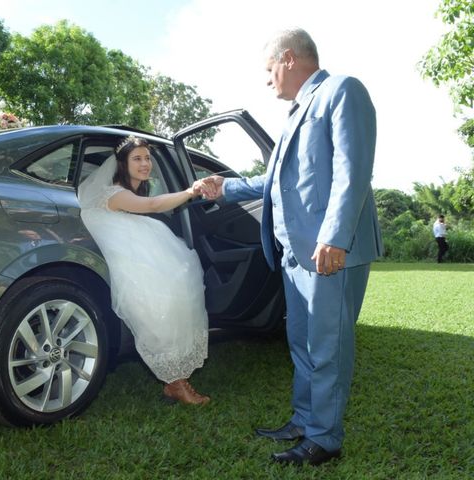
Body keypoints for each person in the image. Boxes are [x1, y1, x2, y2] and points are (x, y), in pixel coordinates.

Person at [203, 28, 383, 465]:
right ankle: (304, 420)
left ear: (287, 59)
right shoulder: (295, 114)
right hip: (295, 256)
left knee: (327, 347)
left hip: (328, 253)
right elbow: (276, 182)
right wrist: (224, 187)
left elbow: (352, 170)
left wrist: (334, 237)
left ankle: (324, 439)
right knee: (301, 344)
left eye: (269, 71)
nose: (268, 81)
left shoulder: (342, 90)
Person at [77, 135, 211, 405]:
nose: (145, 163)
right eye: (136, 159)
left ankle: (176, 382)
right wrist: (190, 192)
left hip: (139, 260)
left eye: (147, 158)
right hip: (129, 268)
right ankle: (176, 383)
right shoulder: (115, 194)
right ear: (122, 164)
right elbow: (152, 205)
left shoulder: (127, 193)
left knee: (177, 295)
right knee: (161, 307)